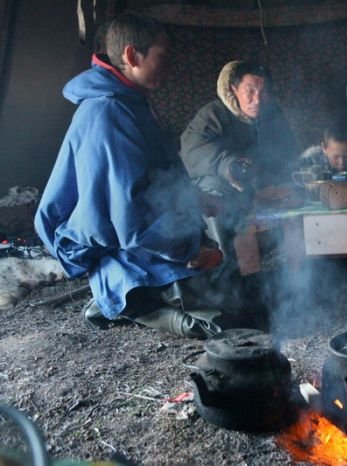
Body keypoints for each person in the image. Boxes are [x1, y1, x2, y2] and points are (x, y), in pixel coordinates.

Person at [34, 12, 257, 339]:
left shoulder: (131, 102)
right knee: (224, 324)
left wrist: (196, 200)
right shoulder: (109, 113)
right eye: (162, 57)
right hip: (121, 244)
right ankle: (125, 300)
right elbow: (130, 220)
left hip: (141, 234)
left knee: (237, 291)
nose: (169, 67)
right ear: (131, 55)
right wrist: (189, 250)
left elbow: (157, 176)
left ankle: (127, 294)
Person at [179, 60, 299, 255]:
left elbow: (288, 152)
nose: (258, 99)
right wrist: (228, 164)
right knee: (214, 187)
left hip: (261, 189)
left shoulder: (273, 114)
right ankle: (226, 259)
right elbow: (190, 152)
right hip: (225, 194)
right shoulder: (213, 114)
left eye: (264, 92)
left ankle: (285, 262)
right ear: (234, 89)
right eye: (250, 91)